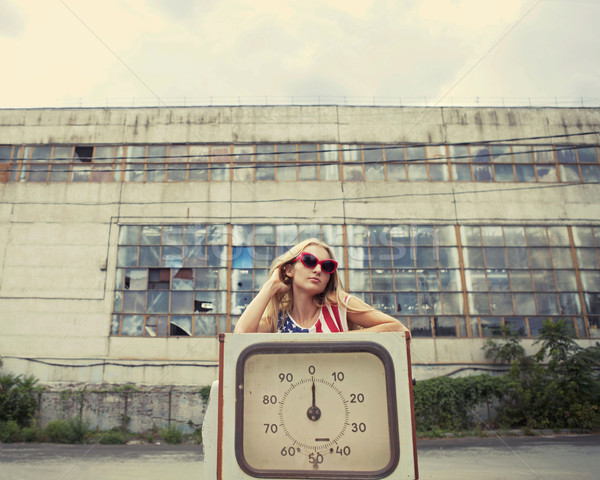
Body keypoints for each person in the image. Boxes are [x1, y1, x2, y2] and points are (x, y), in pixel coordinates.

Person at [234, 238, 410, 334]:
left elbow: (398, 329)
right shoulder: (277, 318)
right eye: (309, 261)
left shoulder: (339, 305)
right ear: (289, 270)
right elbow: (241, 337)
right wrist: (271, 286)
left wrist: (340, 341)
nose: (318, 269)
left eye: (327, 266)